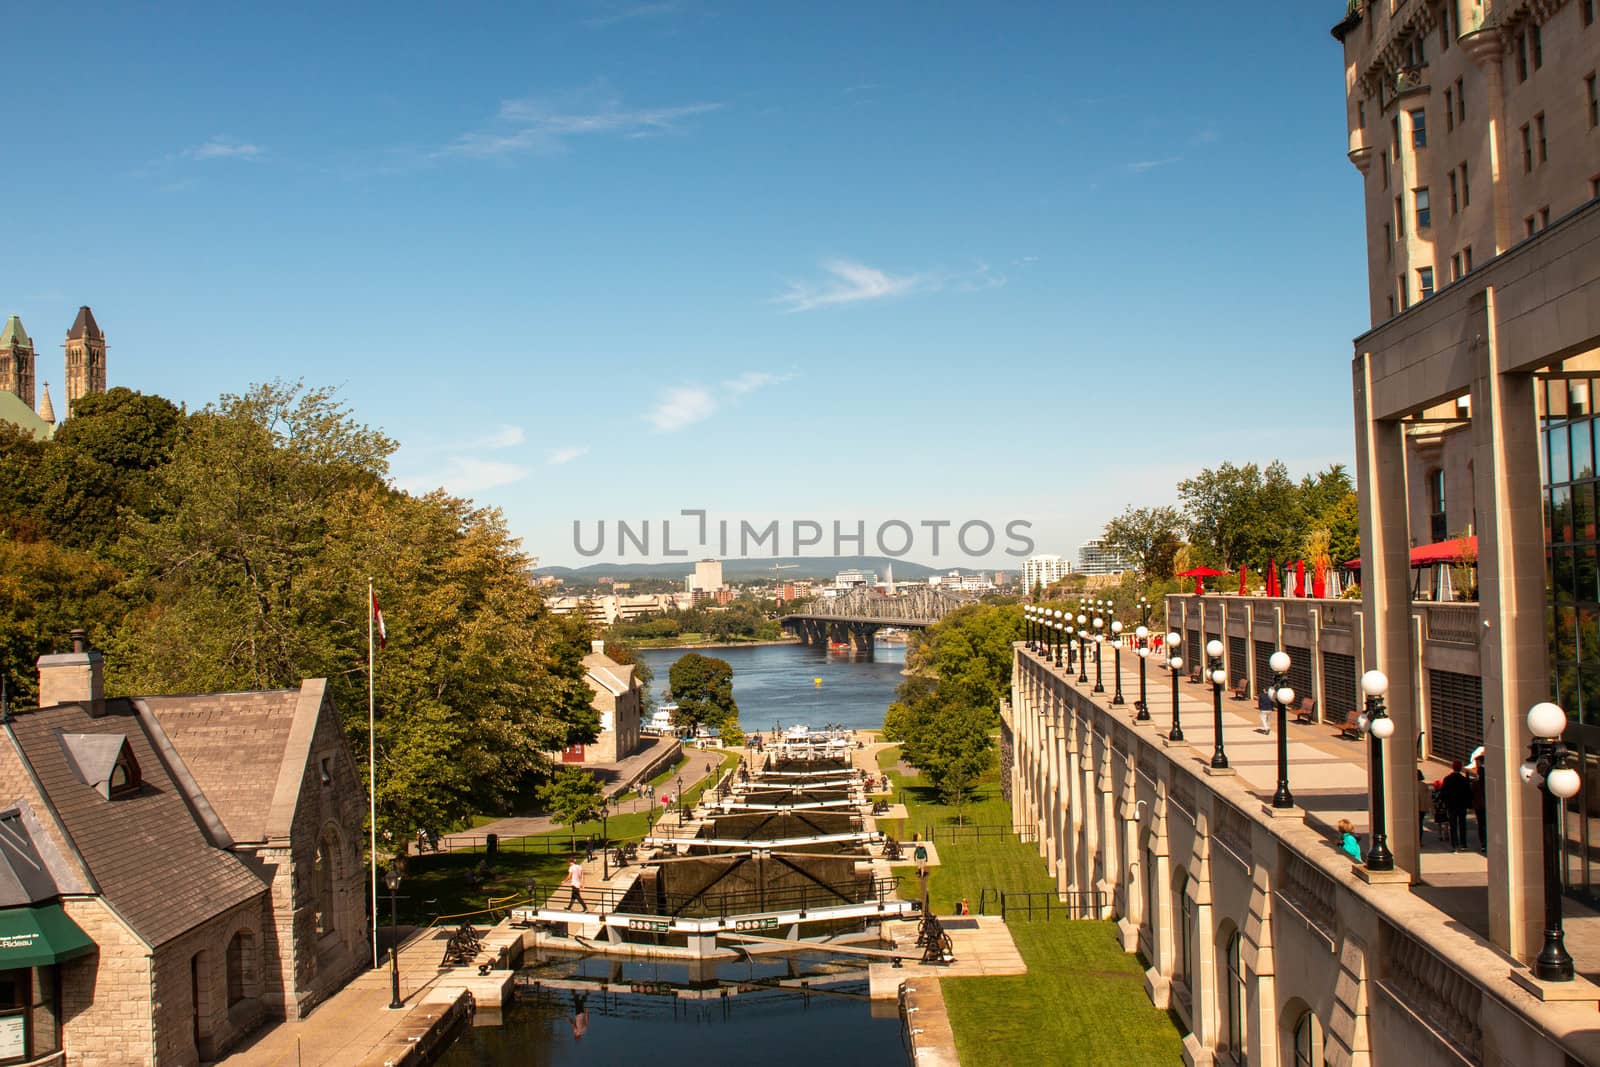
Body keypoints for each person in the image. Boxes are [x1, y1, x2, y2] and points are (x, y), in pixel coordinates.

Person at [1439, 760, 1473, 853]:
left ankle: (1455, 845)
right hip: (1462, 805)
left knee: (1453, 825)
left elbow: (1443, 792)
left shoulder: (1448, 779)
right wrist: (1469, 805)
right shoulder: (1464, 780)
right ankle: (1463, 844)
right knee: (1462, 824)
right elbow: (1468, 793)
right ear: (1460, 767)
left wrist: (1445, 802)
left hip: (1451, 805)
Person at [1470, 762, 1487, 852]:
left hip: (1479, 806)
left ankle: (1483, 843)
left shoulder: (1475, 784)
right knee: (1485, 824)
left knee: (1481, 825)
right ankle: (1485, 842)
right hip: (1485, 806)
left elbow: (1471, 794)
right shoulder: (1487, 783)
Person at [1416, 769, 1434, 845]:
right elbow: (1428, 798)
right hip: (1422, 808)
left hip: (1414, 808)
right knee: (1420, 824)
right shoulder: (1424, 786)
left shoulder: (1410, 785)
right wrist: (1430, 808)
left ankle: (1416, 840)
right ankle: (1419, 841)